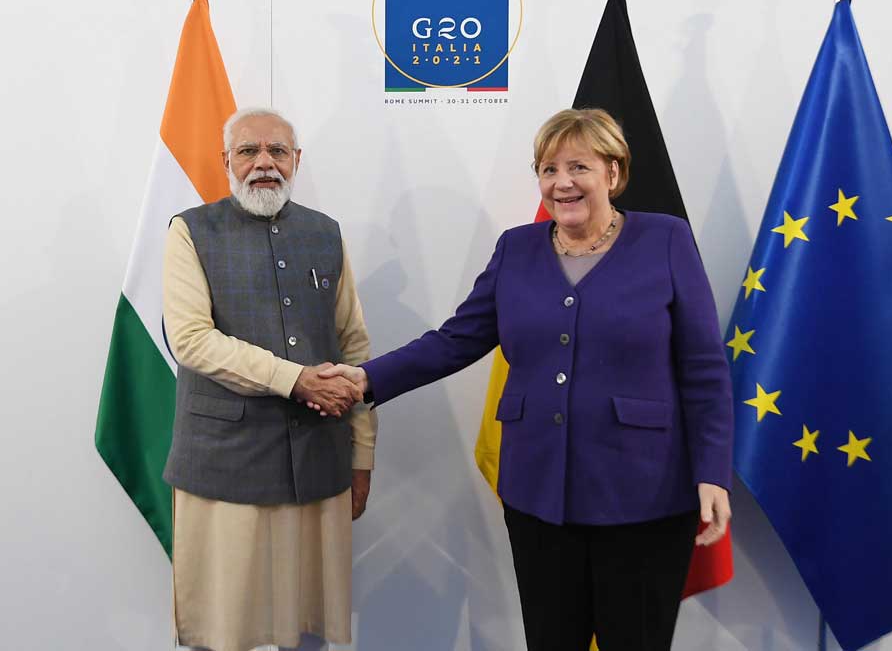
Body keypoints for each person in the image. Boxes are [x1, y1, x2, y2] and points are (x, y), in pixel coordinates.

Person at [322, 107, 734, 651]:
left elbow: (704, 369)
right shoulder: (516, 249)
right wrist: (365, 380)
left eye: (578, 167)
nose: (561, 182)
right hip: (539, 491)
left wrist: (711, 472)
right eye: (547, 168)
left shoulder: (666, 240)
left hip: (646, 494)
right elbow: (456, 340)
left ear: (613, 173)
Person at [161, 108, 375, 651]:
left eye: (278, 151)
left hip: (318, 459)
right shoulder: (190, 231)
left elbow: (353, 346)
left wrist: (362, 455)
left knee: (307, 628)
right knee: (225, 630)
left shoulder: (325, 233)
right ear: (226, 161)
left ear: (296, 161)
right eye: (249, 151)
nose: (264, 164)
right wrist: (296, 379)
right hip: (224, 462)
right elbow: (191, 340)